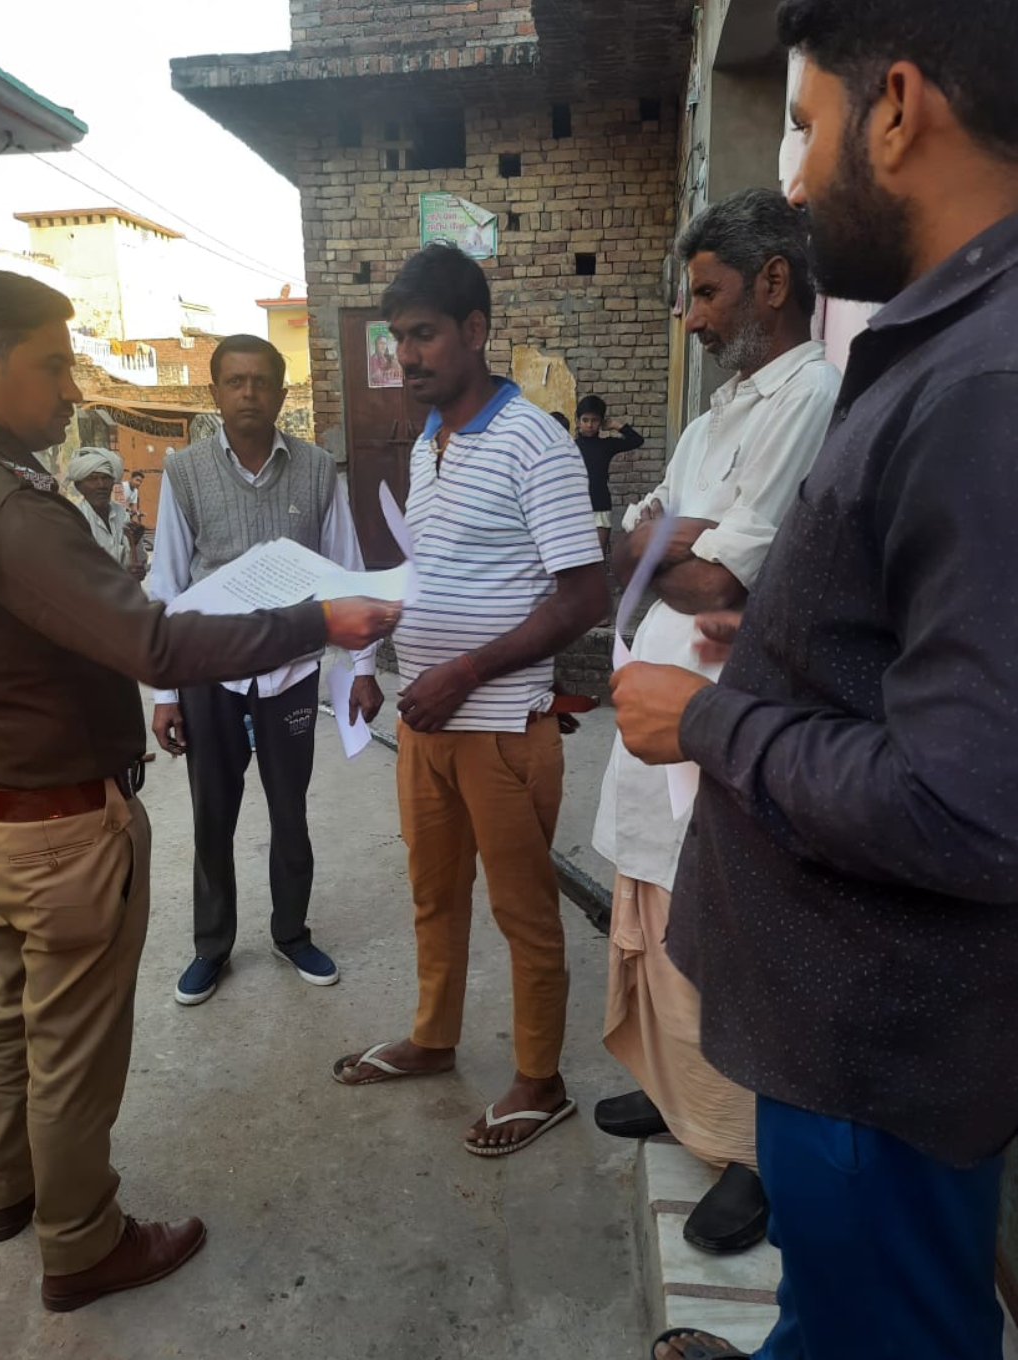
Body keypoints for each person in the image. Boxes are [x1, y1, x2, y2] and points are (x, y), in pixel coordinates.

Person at [612, 3, 1018, 1357]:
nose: (791, 180)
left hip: (876, 1039)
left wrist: (713, 719)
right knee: (840, 1311)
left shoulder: (985, 382)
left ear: (897, 107)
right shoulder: (947, 346)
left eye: (804, 124)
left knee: (885, 1329)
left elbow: (966, 803)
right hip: (849, 1025)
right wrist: (786, 644)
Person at [0, 269, 397, 1313]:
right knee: (70, 1044)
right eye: (53, 366)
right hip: (60, 819)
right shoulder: (11, 501)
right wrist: (316, 624)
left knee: (11, 1012)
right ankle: (81, 1242)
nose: (71, 389)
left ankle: (10, 1193)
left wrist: (333, 650)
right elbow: (150, 630)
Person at [592, 189, 840, 1255]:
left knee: (727, 931)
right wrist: (666, 539)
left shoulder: (812, 394)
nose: (690, 317)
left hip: (726, 713)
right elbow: (639, 540)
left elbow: (713, 580)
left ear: (771, 283)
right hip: (657, 708)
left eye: (706, 293)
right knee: (658, 911)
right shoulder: (712, 417)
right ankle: (673, 1090)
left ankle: (748, 1151)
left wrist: (663, 543)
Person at [332, 244, 609, 1156]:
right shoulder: (428, 443)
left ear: (475, 330)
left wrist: (466, 671)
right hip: (426, 727)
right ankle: (434, 1037)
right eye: (398, 339)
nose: (407, 356)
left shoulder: (536, 441)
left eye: (423, 335)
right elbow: (440, 571)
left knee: (523, 913)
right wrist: (378, 650)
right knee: (434, 897)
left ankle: (541, 1081)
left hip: (500, 729)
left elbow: (582, 595)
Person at [150, 335, 383, 1006]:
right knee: (211, 813)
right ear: (215, 393)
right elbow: (165, 583)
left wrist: (364, 667)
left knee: (290, 811)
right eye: (235, 381)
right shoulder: (185, 471)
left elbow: (347, 572)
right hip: (208, 671)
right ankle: (211, 946)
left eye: (261, 382)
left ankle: (291, 933)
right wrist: (164, 693)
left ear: (282, 394)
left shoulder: (317, 470)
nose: (248, 393)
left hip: (290, 671)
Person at [574, 395, 644, 554]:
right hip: (576, 507)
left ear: (601, 422)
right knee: (576, 558)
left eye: (595, 420)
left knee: (598, 557)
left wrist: (615, 425)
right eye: (585, 420)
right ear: (578, 421)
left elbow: (637, 440)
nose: (590, 425)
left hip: (600, 506)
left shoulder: (606, 445)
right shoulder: (570, 446)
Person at [66, 447, 141, 577]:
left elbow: (137, 563)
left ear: (113, 482)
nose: (101, 485)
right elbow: (76, 572)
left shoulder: (121, 514)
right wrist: (121, 576)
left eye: (106, 478)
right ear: (79, 486)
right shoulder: (74, 521)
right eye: (92, 479)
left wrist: (136, 543)